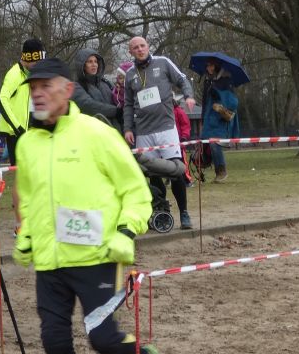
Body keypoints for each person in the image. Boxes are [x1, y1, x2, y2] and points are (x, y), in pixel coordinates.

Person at [11, 57, 165, 354]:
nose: (38, 94)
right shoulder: (27, 144)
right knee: (54, 341)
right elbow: (28, 198)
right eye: (32, 88)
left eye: (45, 86)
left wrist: (127, 231)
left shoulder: (96, 133)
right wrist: (27, 235)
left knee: (103, 339)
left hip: (98, 256)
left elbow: (136, 190)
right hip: (50, 263)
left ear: (67, 90)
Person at [123, 35, 196, 229]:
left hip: (166, 128)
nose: (140, 49)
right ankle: (162, 212)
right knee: (153, 174)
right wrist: (128, 128)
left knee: (176, 170)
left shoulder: (163, 62)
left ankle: (184, 213)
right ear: (130, 52)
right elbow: (128, 104)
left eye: (142, 46)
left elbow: (182, 79)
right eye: (135, 47)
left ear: (148, 47)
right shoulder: (130, 74)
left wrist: (189, 96)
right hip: (143, 132)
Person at [0, 38, 45, 165]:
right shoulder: (14, 74)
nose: (39, 66)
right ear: (28, 58)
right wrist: (18, 127)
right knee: (22, 172)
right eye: (37, 62)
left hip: (28, 131)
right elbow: (1, 100)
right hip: (16, 133)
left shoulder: (29, 74)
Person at [199, 57, 240, 182]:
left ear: (216, 66)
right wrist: (202, 119)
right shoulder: (207, 81)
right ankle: (209, 166)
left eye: (211, 65)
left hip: (221, 117)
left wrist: (221, 104)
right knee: (206, 143)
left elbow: (232, 101)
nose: (209, 68)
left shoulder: (226, 81)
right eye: (207, 66)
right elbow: (204, 102)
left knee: (214, 143)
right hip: (208, 116)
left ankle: (221, 171)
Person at [72, 48, 121, 127]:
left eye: (95, 61)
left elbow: (118, 99)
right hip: (94, 130)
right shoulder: (76, 86)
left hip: (116, 130)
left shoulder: (106, 83)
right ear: (82, 65)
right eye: (90, 62)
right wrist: (116, 111)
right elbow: (89, 106)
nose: (94, 64)